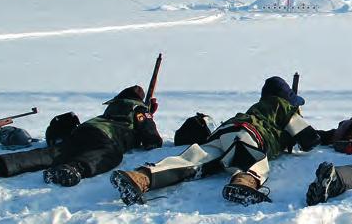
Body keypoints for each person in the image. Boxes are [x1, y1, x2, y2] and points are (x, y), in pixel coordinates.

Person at [110, 76, 321, 206]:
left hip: (224, 132)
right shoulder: (284, 108)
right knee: (255, 160)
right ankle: (244, 183)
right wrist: (295, 122)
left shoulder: (258, 108)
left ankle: (140, 177)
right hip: (247, 134)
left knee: (191, 162)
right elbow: (310, 139)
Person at [0, 85, 162, 187]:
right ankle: (74, 169)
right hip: (105, 137)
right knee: (110, 154)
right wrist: (150, 121)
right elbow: (150, 135)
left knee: (51, 153)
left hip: (84, 130)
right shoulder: (138, 109)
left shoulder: (113, 108)